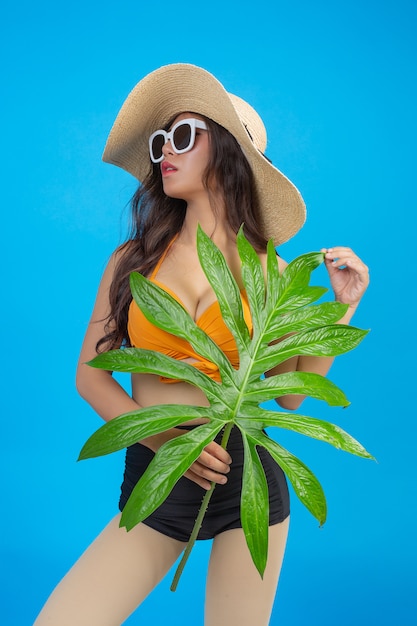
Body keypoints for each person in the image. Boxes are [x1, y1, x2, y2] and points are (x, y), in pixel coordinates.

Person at [34, 63, 369, 626]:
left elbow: (290, 393)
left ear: (229, 153)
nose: (165, 150)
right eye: (162, 139)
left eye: (183, 136)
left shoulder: (270, 271)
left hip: (248, 483)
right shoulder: (131, 263)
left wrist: (341, 308)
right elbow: (90, 376)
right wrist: (167, 440)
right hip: (161, 476)